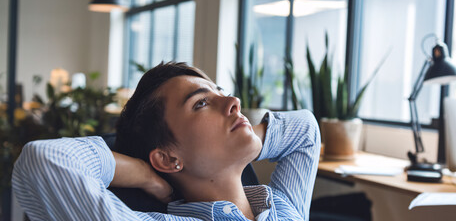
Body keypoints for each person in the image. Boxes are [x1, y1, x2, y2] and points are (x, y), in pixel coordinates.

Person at [12, 62, 321, 221]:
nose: (234, 102)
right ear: (168, 159)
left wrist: (246, 136)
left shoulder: (283, 206)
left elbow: (304, 128)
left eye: (221, 92)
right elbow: (43, 160)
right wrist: (145, 175)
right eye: (201, 103)